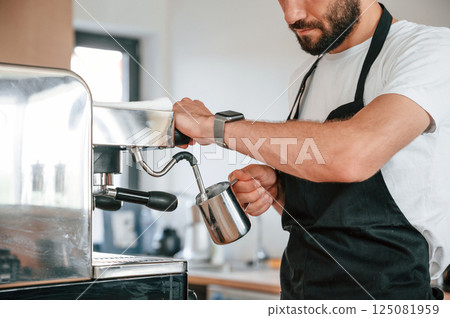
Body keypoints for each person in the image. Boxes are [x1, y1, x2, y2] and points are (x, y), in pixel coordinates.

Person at [173, 0, 450, 299]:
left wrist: (215, 128)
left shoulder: (427, 50)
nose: (292, 15)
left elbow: (352, 155)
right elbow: (330, 197)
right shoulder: (305, 76)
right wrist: (281, 191)